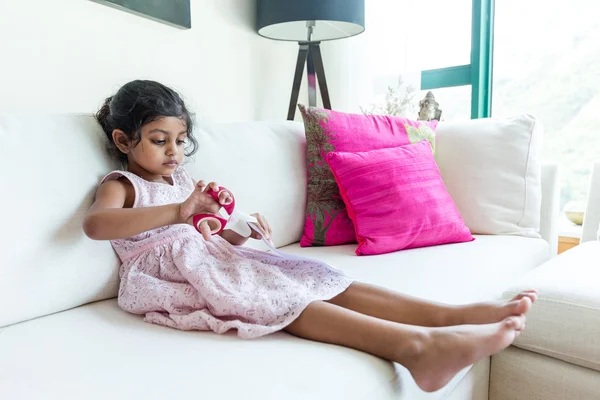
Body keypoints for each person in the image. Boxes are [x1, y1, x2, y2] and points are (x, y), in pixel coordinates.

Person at [83, 80, 536, 393]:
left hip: (209, 263)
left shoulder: (182, 183)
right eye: (160, 140)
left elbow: (206, 240)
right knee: (285, 296)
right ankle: (417, 348)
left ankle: (450, 316)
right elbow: (97, 226)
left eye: (180, 141)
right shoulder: (122, 185)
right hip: (168, 279)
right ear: (124, 141)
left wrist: (238, 230)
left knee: (324, 277)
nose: (174, 152)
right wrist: (180, 211)